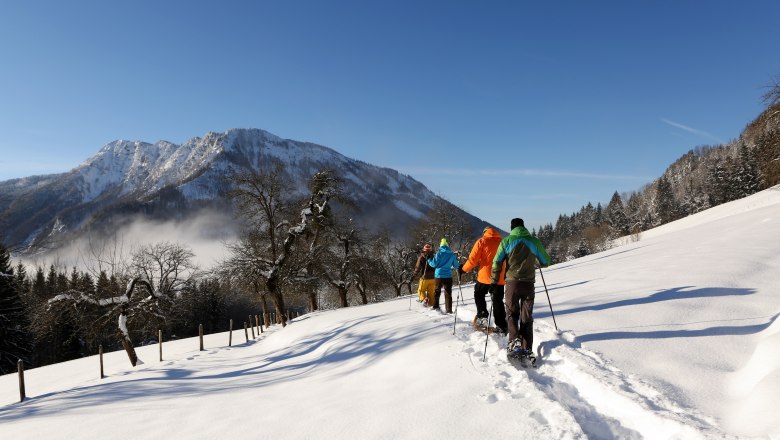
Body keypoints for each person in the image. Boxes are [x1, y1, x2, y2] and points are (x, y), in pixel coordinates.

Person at [490, 218, 550, 356]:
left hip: (512, 283)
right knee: (526, 316)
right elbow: (546, 261)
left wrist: (494, 281)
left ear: (512, 228)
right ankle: (527, 347)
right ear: (524, 227)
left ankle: (514, 342)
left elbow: (496, 262)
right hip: (528, 284)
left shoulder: (506, 242)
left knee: (511, 313)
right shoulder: (534, 241)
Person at [459, 226, 507, 333]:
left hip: (485, 277)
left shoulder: (482, 241)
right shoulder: (503, 242)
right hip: (499, 277)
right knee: (497, 301)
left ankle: (482, 315)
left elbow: (473, 260)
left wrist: (463, 269)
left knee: (479, 294)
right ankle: (502, 326)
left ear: (485, 233)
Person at [427, 238, 459, 313]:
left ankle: (436, 307)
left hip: (439, 276)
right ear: (447, 246)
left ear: (441, 246)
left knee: (437, 291)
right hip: (448, 276)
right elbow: (456, 266)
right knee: (448, 293)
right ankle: (449, 310)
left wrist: (429, 260)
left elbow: (433, 264)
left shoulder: (439, 253)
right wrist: (456, 260)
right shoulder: (451, 254)